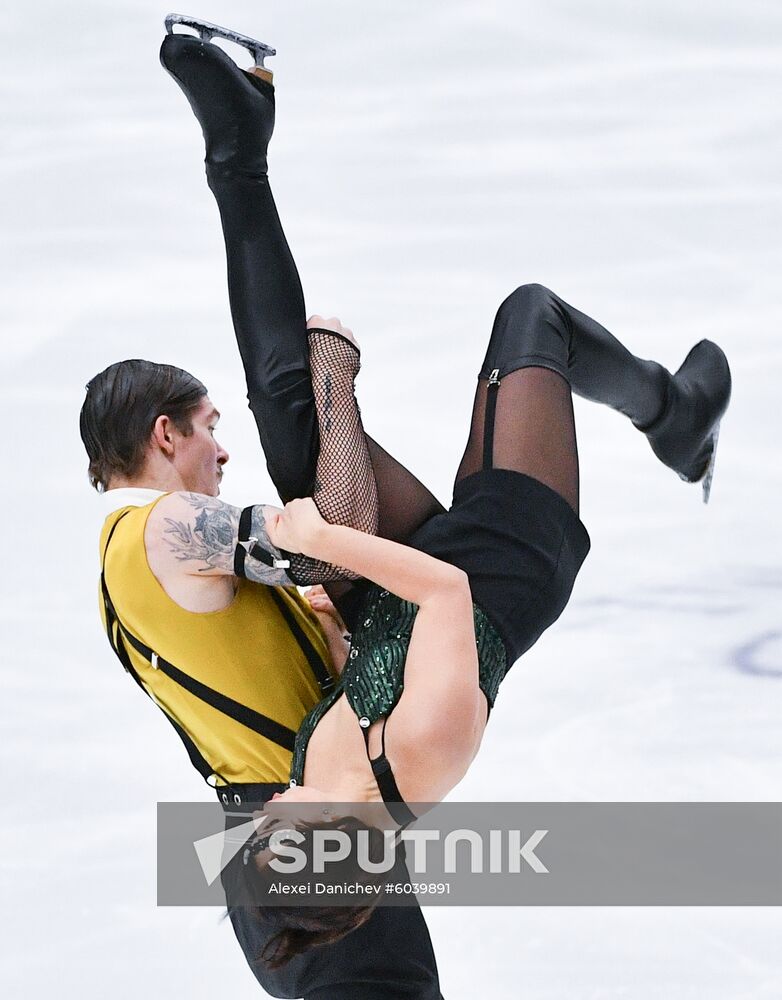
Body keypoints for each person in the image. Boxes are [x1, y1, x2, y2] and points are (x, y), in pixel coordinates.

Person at [156, 17, 732, 966]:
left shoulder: (317, 779)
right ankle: (673, 415)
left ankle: (238, 147)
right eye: (269, 841)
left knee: (294, 421)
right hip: (505, 562)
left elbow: (361, 654)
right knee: (531, 316)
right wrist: (325, 543)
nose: (258, 826)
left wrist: (322, 601)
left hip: (400, 585)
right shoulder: (425, 750)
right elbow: (448, 595)